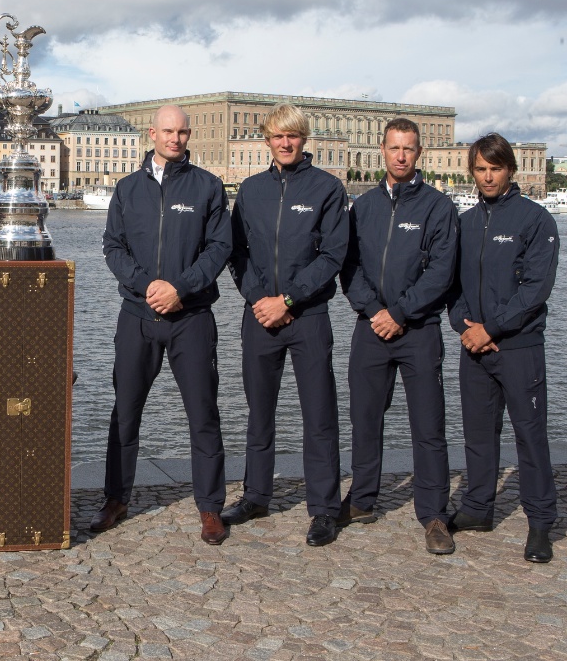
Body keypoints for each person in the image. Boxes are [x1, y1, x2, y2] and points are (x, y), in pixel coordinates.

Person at [94, 105, 232, 544]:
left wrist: (180, 287)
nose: (175, 139)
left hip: (190, 316)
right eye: (168, 131)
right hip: (137, 315)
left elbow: (218, 249)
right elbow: (113, 246)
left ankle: (210, 507)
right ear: (152, 133)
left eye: (182, 132)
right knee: (126, 412)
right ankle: (116, 498)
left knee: (203, 414)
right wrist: (147, 284)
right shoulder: (128, 189)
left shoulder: (207, 186)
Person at [224, 103, 349, 546]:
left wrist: (289, 299)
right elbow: (237, 253)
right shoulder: (252, 190)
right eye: (278, 136)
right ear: (267, 140)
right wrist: (261, 299)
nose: (286, 142)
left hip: (308, 315)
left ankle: (324, 508)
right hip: (259, 316)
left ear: (304, 138)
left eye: (293, 135)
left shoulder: (327, 189)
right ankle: (256, 494)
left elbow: (333, 255)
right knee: (259, 413)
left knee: (319, 415)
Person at [339, 118, 459, 555]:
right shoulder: (363, 207)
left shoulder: (438, 208)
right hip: (371, 328)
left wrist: (401, 312)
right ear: (382, 152)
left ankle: (433, 514)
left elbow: (441, 273)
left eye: (409, 148)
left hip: (419, 329)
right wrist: (375, 311)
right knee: (364, 419)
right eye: (394, 148)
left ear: (419, 153)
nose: (401, 155)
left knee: (428, 425)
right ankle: (362, 499)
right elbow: (348, 268)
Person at [447, 133, 559, 563]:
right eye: (480, 169)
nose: (488, 176)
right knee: (477, 434)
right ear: (472, 172)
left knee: (529, 436)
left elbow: (535, 290)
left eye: (495, 168)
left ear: (509, 169)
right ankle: (478, 508)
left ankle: (540, 522)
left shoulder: (535, 221)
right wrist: (464, 325)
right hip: (473, 345)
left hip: (517, 347)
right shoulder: (467, 222)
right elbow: (451, 284)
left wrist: (491, 329)